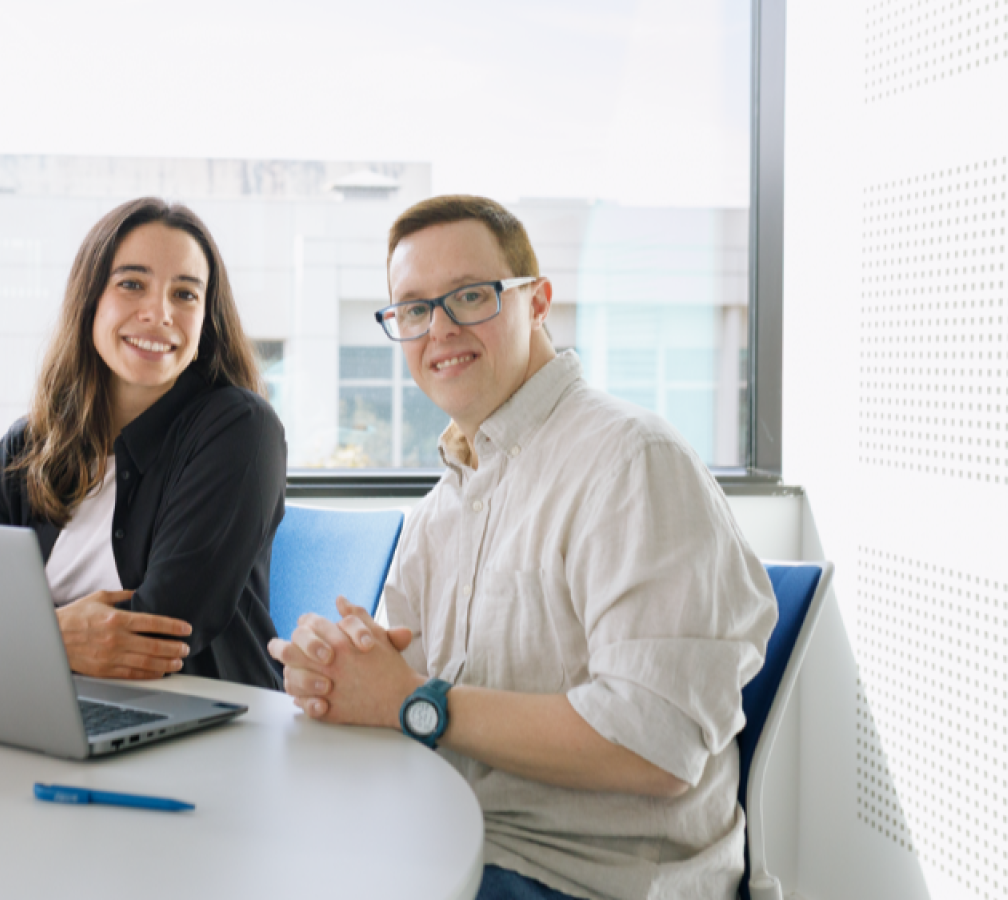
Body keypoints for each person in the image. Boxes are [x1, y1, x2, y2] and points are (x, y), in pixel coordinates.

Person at [269, 195, 778, 899]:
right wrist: (338, 676)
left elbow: (655, 744)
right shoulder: (440, 508)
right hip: (455, 838)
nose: (439, 328)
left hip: (590, 878)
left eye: (471, 296)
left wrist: (415, 701)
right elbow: (397, 694)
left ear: (537, 302)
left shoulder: (633, 459)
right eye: (414, 309)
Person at [0, 197, 286, 690]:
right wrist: (57, 638)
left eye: (185, 294)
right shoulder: (30, 442)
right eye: (132, 284)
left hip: (202, 718)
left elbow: (163, 630)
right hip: (46, 700)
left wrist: (21, 636)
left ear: (206, 319)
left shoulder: (241, 430)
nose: (159, 314)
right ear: (90, 299)